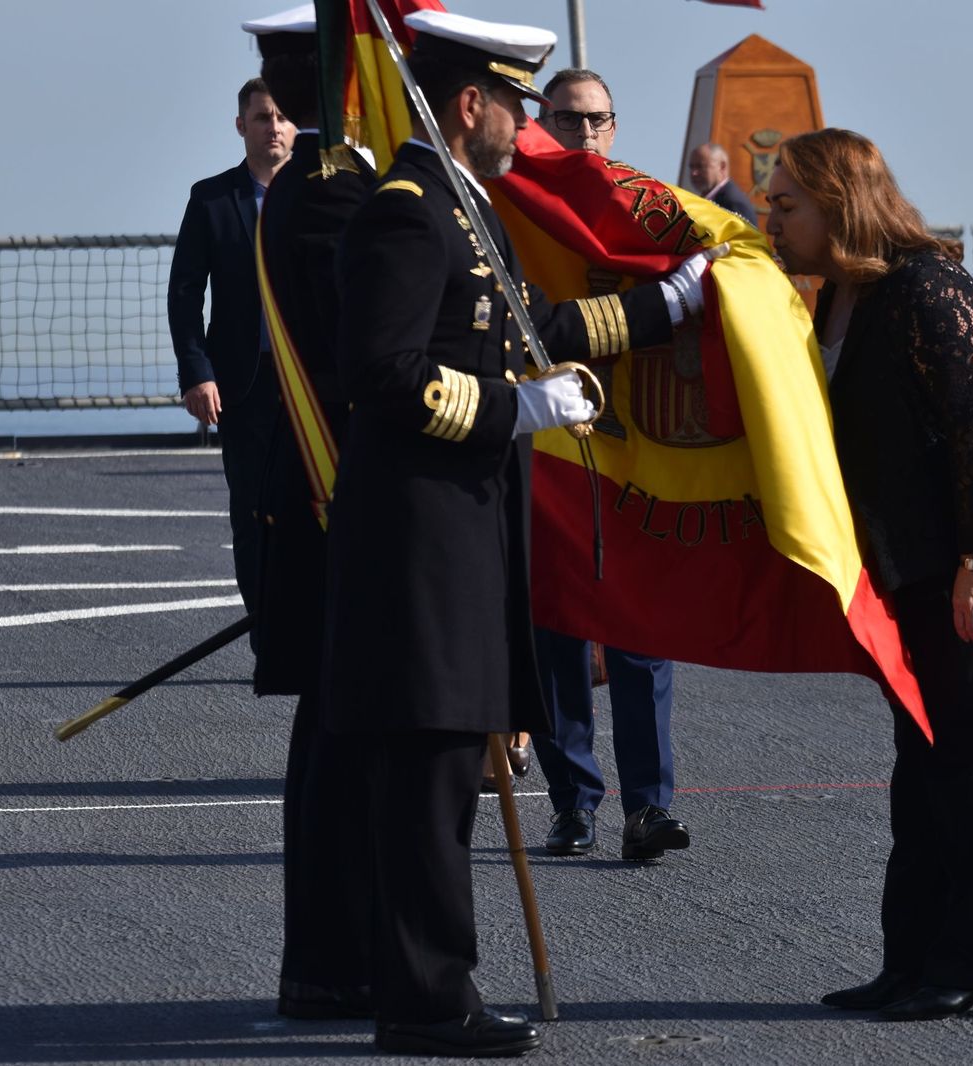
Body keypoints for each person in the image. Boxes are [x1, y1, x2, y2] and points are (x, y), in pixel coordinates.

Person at [323, 10, 718, 1055]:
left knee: (449, 768)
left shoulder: (464, 209)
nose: (526, 127)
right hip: (420, 544)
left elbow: (537, 323)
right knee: (429, 775)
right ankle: (425, 998)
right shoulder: (409, 212)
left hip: (463, 533)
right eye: (515, 106)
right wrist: (516, 410)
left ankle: (424, 985)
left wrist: (666, 305)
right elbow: (382, 374)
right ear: (470, 105)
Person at [767, 128, 973, 1021]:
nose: (771, 220)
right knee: (924, 756)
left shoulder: (926, 285)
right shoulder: (840, 292)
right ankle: (910, 957)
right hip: (919, 552)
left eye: (786, 204)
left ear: (838, 203)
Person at [244, 5, 378, 1023]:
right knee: (354, 746)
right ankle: (342, 964)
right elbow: (362, 361)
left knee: (338, 741)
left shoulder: (314, 181)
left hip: (330, 502)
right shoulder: (336, 188)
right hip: (353, 504)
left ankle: (331, 963)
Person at [528, 67, 689, 863]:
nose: (585, 134)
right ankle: (572, 803)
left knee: (641, 637)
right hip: (549, 448)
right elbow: (531, 323)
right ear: (540, 124)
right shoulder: (514, 213)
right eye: (569, 120)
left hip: (636, 453)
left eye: (597, 120)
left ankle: (649, 808)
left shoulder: (653, 211)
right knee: (557, 636)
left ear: (615, 127)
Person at [168, 76, 294, 620]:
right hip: (245, 385)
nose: (273, 127)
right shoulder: (212, 199)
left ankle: (316, 638)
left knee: (323, 510)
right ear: (241, 126)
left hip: (316, 386)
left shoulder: (325, 196)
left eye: (282, 117)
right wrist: (197, 373)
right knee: (252, 513)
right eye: (262, 117)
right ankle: (267, 633)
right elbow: (184, 293)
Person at [687, 142, 757, 224]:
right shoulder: (707, 200)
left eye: (700, 166)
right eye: (691, 167)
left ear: (722, 167)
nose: (694, 173)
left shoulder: (733, 203)